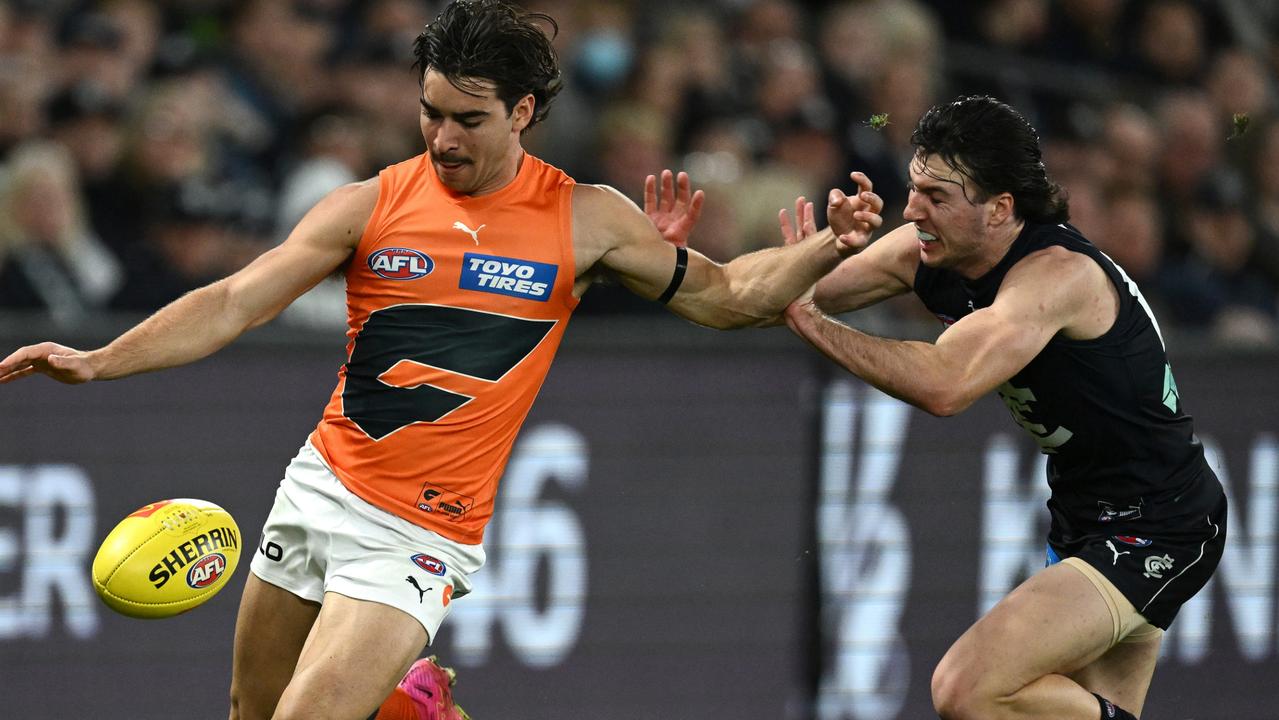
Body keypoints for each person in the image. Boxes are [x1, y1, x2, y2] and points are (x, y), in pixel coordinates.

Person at [0, 2, 883, 719]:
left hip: (419, 533)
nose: (443, 137)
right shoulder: (370, 203)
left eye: (469, 119)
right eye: (430, 112)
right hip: (319, 486)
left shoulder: (587, 219)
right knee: (250, 711)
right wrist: (102, 359)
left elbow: (730, 298)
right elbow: (235, 299)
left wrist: (823, 252)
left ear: (524, 114)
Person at [777, 96, 1226, 719]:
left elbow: (944, 384)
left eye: (937, 197)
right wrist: (660, 263)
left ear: (1000, 208)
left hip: (1159, 523)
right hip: (1082, 517)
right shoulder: (930, 251)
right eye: (913, 189)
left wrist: (811, 324)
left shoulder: (1055, 277)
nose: (911, 211)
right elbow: (781, 291)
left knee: (967, 688)